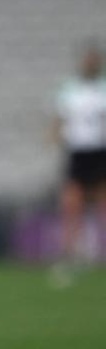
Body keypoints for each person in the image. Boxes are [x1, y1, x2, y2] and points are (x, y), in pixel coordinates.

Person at [50, 43, 106, 286]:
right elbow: (59, 119)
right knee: (71, 206)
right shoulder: (70, 89)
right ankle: (69, 256)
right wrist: (55, 136)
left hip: (100, 151)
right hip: (77, 152)